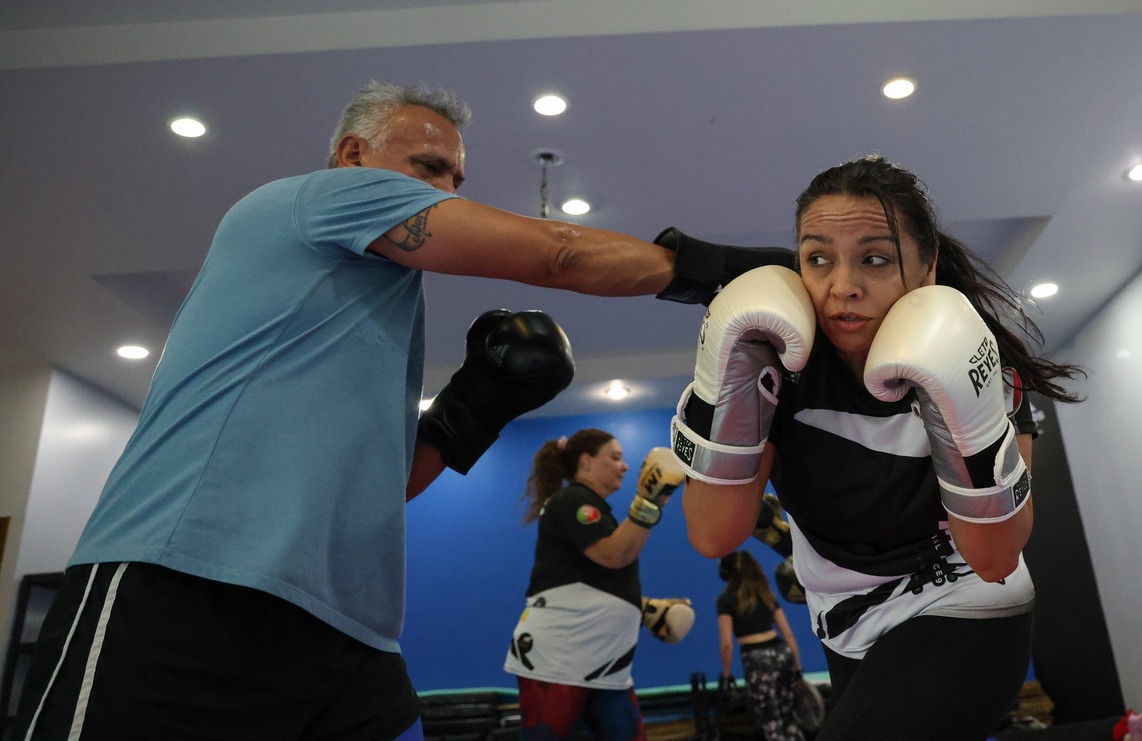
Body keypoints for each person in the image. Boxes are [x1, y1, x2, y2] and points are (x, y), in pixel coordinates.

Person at [11, 80, 776, 740]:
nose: (446, 192)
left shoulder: (375, 307)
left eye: (456, 178)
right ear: (352, 156)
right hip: (184, 584)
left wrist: (474, 407)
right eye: (428, 167)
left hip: (347, 626)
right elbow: (558, 253)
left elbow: (386, 485)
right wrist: (750, 275)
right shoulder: (309, 201)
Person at [669, 155, 1084, 740]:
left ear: (926, 268)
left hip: (962, 605)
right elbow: (714, 535)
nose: (843, 286)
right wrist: (733, 392)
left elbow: (994, 559)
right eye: (818, 259)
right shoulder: (778, 365)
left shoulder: (979, 364)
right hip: (843, 626)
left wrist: (959, 408)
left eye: (874, 259)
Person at [504, 431, 685, 741]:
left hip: (604, 661)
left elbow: (592, 577)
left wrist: (641, 609)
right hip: (561, 660)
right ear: (586, 462)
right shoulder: (571, 500)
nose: (625, 466)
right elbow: (614, 555)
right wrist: (648, 502)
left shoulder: (593, 510)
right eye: (615, 457)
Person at [716, 550, 807, 741]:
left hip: (757, 660)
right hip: (781, 654)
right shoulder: (766, 595)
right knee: (788, 717)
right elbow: (788, 634)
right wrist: (798, 668)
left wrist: (726, 675)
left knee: (770, 719)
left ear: (727, 573)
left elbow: (726, 645)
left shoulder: (725, 600)